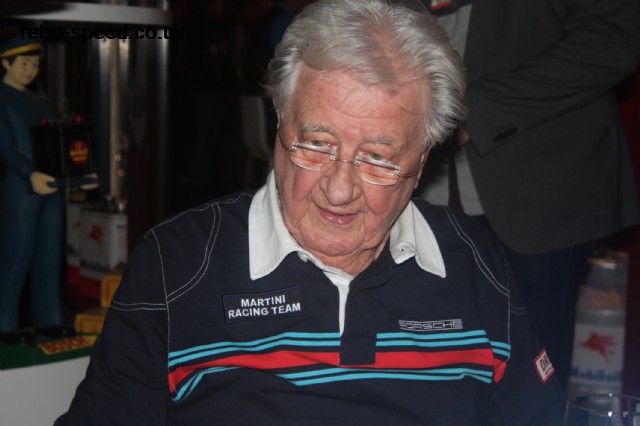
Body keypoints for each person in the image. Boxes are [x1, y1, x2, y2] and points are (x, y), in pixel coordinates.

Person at [56, 1, 565, 424]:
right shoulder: (179, 263)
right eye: (317, 144)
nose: (339, 191)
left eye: (378, 158)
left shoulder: (474, 261)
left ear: (422, 159)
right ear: (279, 119)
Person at [419, 0, 640, 389]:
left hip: (541, 190)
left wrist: (478, 110)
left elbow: (614, 36)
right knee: (431, 374)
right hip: (419, 195)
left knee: (531, 379)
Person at [0, 36, 74, 343]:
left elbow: (55, 143)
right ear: (6, 64)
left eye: (34, 64)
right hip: (22, 188)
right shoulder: (2, 99)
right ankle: (4, 322)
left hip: (51, 184)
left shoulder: (39, 102)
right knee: (16, 254)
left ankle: (49, 318)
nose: (30, 69)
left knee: (48, 254)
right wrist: (29, 173)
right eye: (24, 63)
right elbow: (5, 147)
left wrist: (74, 172)